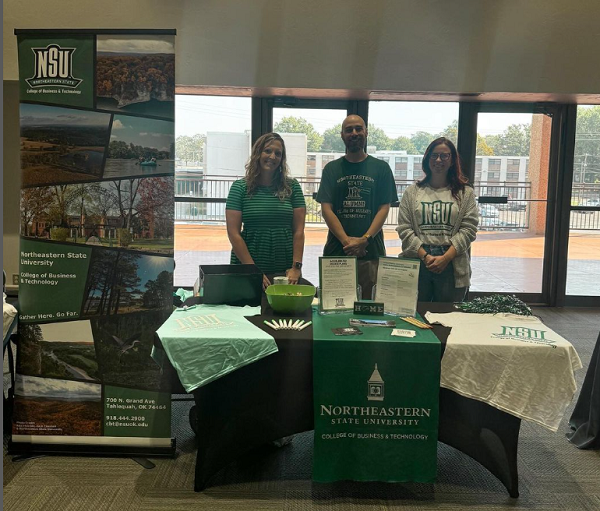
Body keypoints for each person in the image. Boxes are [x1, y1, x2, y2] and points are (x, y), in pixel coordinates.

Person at [316, 115, 398, 299]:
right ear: (342, 135)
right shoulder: (331, 169)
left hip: (371, 253)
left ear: (366, 132)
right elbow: (326, 209)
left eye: (358, 129)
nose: (354, 133)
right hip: (337, 253)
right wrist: (347, 242)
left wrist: (365, 239)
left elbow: (384, 208)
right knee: (334, 309)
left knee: (369, 309)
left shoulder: (381, 168)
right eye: (349, 130)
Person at [396, 137, 478, 302]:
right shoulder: (412, 192)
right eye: (434, 155)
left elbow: (469, 230)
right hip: (418, 261)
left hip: (452, 264)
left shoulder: (465, 193)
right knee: (415, 316)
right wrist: (426, 256)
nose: (438, 160)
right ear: (427, 159)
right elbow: (404, 229)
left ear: (452, 160)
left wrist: (445, 258)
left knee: (449, 320)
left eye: (444, 156)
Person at [226, 132, 306, 289]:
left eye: (278, 153)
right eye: (267, 151)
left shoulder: (292, 187)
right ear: (257, 153)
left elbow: (299, 231)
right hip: (248, 267)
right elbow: (233, 234)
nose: (273, 156)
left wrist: (296, 267)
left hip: (285, 271)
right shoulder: (239, 188)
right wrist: (252, 270)